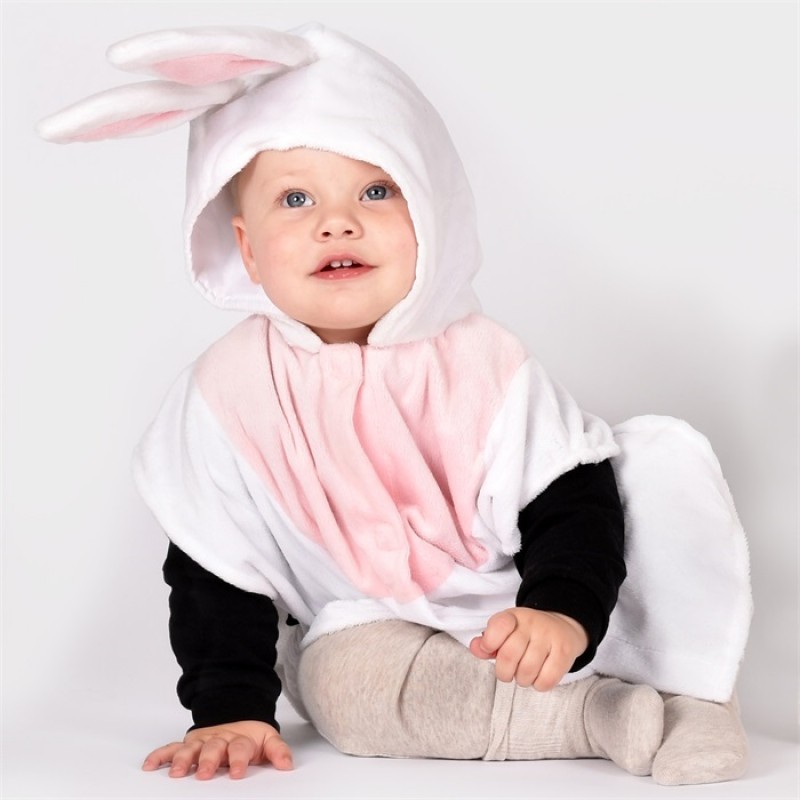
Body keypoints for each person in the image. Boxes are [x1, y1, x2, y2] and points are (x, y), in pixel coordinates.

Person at [37, 22, 752, 787]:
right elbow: (215, 565)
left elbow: (569, 501)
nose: (336, 221)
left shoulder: (484, 359)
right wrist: (230, 707)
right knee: (346, 686)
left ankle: (692, 696)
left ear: (429, 214)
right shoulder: (225, 394)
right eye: (295, 199)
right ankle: (595, 717)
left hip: (536, 611)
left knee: (653, 480)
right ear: (246, 247)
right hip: (378, 631)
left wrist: (561, 610)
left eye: (376, 191)